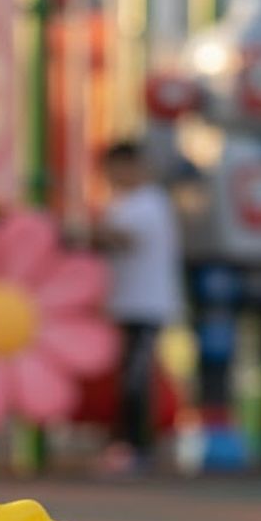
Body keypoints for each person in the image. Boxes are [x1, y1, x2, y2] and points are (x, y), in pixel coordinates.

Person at [93, 141, 183, 471]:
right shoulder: (124, 203)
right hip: (126, 305)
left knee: (137, 379)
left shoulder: (149, 203)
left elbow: (119, 238)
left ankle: (137, 446)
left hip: (146, 306)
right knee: (129, 378)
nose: (110, 177)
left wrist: (78, 231)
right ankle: (129, 443)